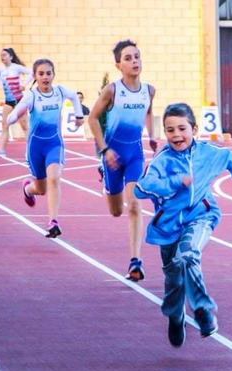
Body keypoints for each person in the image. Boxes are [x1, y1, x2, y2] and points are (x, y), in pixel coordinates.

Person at [134, 103, 232, 346]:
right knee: (174, 279)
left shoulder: (209, 153)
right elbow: (142, 188)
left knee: (188, 254)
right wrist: (175, 181)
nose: (176, 135)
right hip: (167, 227)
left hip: (201, 216)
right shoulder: (162, 161)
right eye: (170, 130)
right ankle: (176, 316)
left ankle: (201, 310)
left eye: (182, 128)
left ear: (194, 129)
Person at [88, 39, 158, 282]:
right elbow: (93, 118)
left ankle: (135, 261)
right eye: (128, 58)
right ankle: (105, 181)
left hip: (135, 154)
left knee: (135, 204)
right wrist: (104, 149)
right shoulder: (113, 90)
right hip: (112, 155)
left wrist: (152, 135)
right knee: (116, 211)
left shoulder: (149, 90)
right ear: (119, 65)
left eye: (137, 56)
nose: (134, 61)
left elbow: (149, 111)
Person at [7, 58, 83, 239]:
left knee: (54, 179)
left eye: (48, 73)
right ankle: (28, 189)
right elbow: (17, 111)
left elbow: (74, 96)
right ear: (34, 76)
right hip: (35, 148)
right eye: (41, 74)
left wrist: (79, 115)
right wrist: (12, 117)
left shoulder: (60, 92)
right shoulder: (32, 96)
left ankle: (53, 221)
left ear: (53, 75)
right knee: (41, 189)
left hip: (54, 144)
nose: (45, 77)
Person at [0, 47, 31, 156]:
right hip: (8, 101)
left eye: (4, 55)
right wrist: (2, 85)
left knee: (24, 126)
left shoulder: (16, 68)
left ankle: (31, 150)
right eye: (1, 55)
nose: (2, 57)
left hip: (19, 100)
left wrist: (24, 85)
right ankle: (1, 149)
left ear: (11, 56)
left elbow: (31, 73)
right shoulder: (0, 69)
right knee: (4, 125)